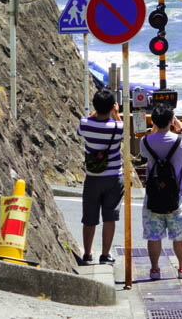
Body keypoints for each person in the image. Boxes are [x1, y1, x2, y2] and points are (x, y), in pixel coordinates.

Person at [140, 104, 182, 281]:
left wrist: (154, 130)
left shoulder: (146, 141)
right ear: (172, 121)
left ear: (154, 121)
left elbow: (143, 153)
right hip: (176, 195)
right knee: (179, 235)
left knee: (154, 236)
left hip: (153, 194)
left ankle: (155, 269)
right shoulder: (180, 140)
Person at [76, 88, 123, 266]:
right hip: (113, 177)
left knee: (89, 217)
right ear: (112, 107)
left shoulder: (85, 124)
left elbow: (81, 129)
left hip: (93, 176)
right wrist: (116, 114)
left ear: (95, 106)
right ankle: (105, 255)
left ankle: (87, 254)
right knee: (110, 217)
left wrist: (98, 112)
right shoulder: (117, 127)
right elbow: (123, 132)